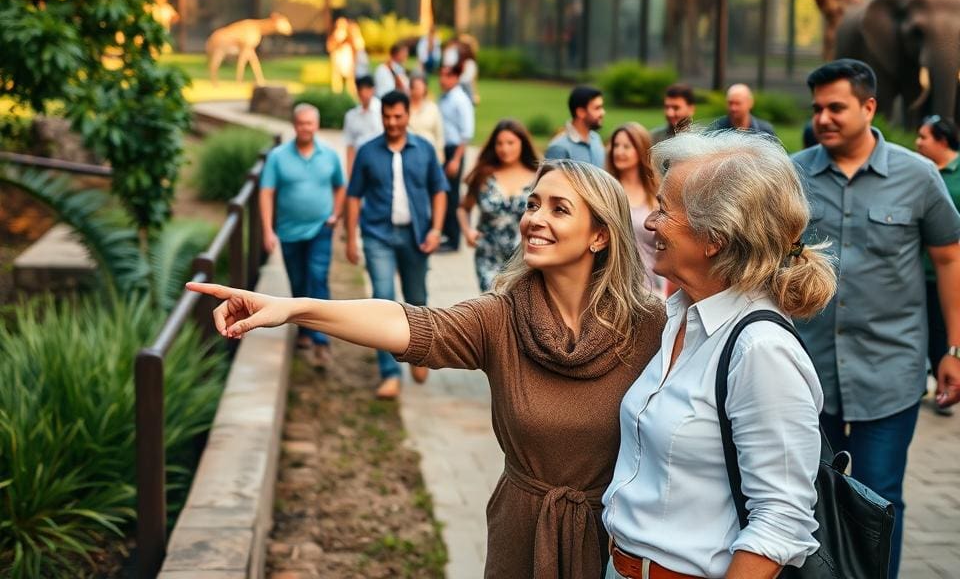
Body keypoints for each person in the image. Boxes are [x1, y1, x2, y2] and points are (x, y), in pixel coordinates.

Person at [187, 159, 666, 579]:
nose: (534, 219)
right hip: (522, 536)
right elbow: (410, 324)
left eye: (559, 209)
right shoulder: (501, 318)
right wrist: (294, 308)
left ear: (600, 234)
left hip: (615, 544)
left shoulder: (650, 326)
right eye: (533, 204)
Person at [604, 129, 834, 579]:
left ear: (714, 238)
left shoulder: (761, 350)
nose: (650, 223)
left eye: (665, 211)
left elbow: (781, 523)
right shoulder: (682, 317)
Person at [792, 59, 960, 578]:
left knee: (879, 494)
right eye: (817, 108)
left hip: (890, 370)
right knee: (808, 495)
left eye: (836, 107)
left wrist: (953, 350)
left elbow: (949, 257)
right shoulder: (791, 175)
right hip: (805, 372)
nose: (823, 117)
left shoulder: (918, 176)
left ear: (869, 107)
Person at [344, 90, 448, 399]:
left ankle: (419, 354)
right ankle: (390, 373)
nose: (392, 122)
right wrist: (351, 237)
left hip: (415, 235)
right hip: (378, 235)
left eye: (397, 116)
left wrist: (436, 229)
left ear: (407, 116)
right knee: (383, 300)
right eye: (387, 116)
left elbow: (439, 191)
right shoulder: (367, 152)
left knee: (417, 298)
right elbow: (353, 196)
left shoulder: (425, 150)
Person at [259, 103, 345, 368]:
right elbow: (266, 192)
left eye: (310, 123)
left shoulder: (329, 155)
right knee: (298, 282)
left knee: (318, 278)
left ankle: (321, 342)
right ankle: (305, 331)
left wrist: (336, 215)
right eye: (301, 123)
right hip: (288, 231)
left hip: (320, 228)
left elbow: (340, 187)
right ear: (294, 125)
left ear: (316, 125)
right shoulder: (278, 156)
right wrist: (267, 230)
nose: (305, 128)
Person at [457, 120, 539, 291]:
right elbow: (463, 208)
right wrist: (467, 231)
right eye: (499, 143)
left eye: (510, 143)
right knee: (492, 306)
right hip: (488, 255)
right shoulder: (484, 175)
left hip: (524, 258)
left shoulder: (538, 178)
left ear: (522, 144)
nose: (504, 149)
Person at [915, 115, 960, 416]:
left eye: (924, 137)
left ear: (942, 141)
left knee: (943, 329)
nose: (918, 143)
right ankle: (918, 383)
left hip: (946, 272)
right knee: (919, 329)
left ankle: (946, 382)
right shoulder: (919, 173)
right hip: (917, 272)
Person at [605, 123, 664, 297]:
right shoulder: (607, 191)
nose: (619, 152)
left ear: (640, 150)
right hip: (614, 288)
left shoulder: (657, 193)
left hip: (653, 289)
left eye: (626, 146)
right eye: (616, 146)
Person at [437, 62, 475, 251]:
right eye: (441, 75)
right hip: (444, 149)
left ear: (455, 78)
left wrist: (456, 159)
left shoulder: (460, 100)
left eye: (446, 75)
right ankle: (446, 233)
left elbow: (466, 133)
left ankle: (453, 240)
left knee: (452, 195)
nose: (442, 79)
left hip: (454, 151)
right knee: (443, 192)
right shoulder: (444, 97)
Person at [545, 85, 606, 167]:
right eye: (597, 108)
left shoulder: (596, 139)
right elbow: (550, 179)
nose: (603, 112)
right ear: (580, 112)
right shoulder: (558, 147)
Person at [342, 74, 382, 179]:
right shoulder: (351, 116)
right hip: (359, 163)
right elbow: (349, 145)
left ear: (372, 90)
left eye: (366, 90)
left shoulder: (382, 112)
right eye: (361, 91)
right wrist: (349, 173)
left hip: (379, 161)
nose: (364, 94)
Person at [708, 83, 775, 136]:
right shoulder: (716, 129)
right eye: (730, 103)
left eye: (738, 103)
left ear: (750, 103)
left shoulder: (764, 131)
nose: (733, 108)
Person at [407, 72, 445, 162]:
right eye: (415, 87)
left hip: (429, 155)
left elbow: (439, 133)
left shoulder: (432, 108)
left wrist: (440, 154)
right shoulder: (404, 107)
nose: (418, 90)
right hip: (409, 155)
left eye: (420, 87)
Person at [327, 17, 355, 97]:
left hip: (347, 59)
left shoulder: (349, 35)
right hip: (338, 59)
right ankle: (337, 95)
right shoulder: (334, 35)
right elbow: (330, 47)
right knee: (337, 80)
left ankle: (351, 95)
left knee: (350, 80)